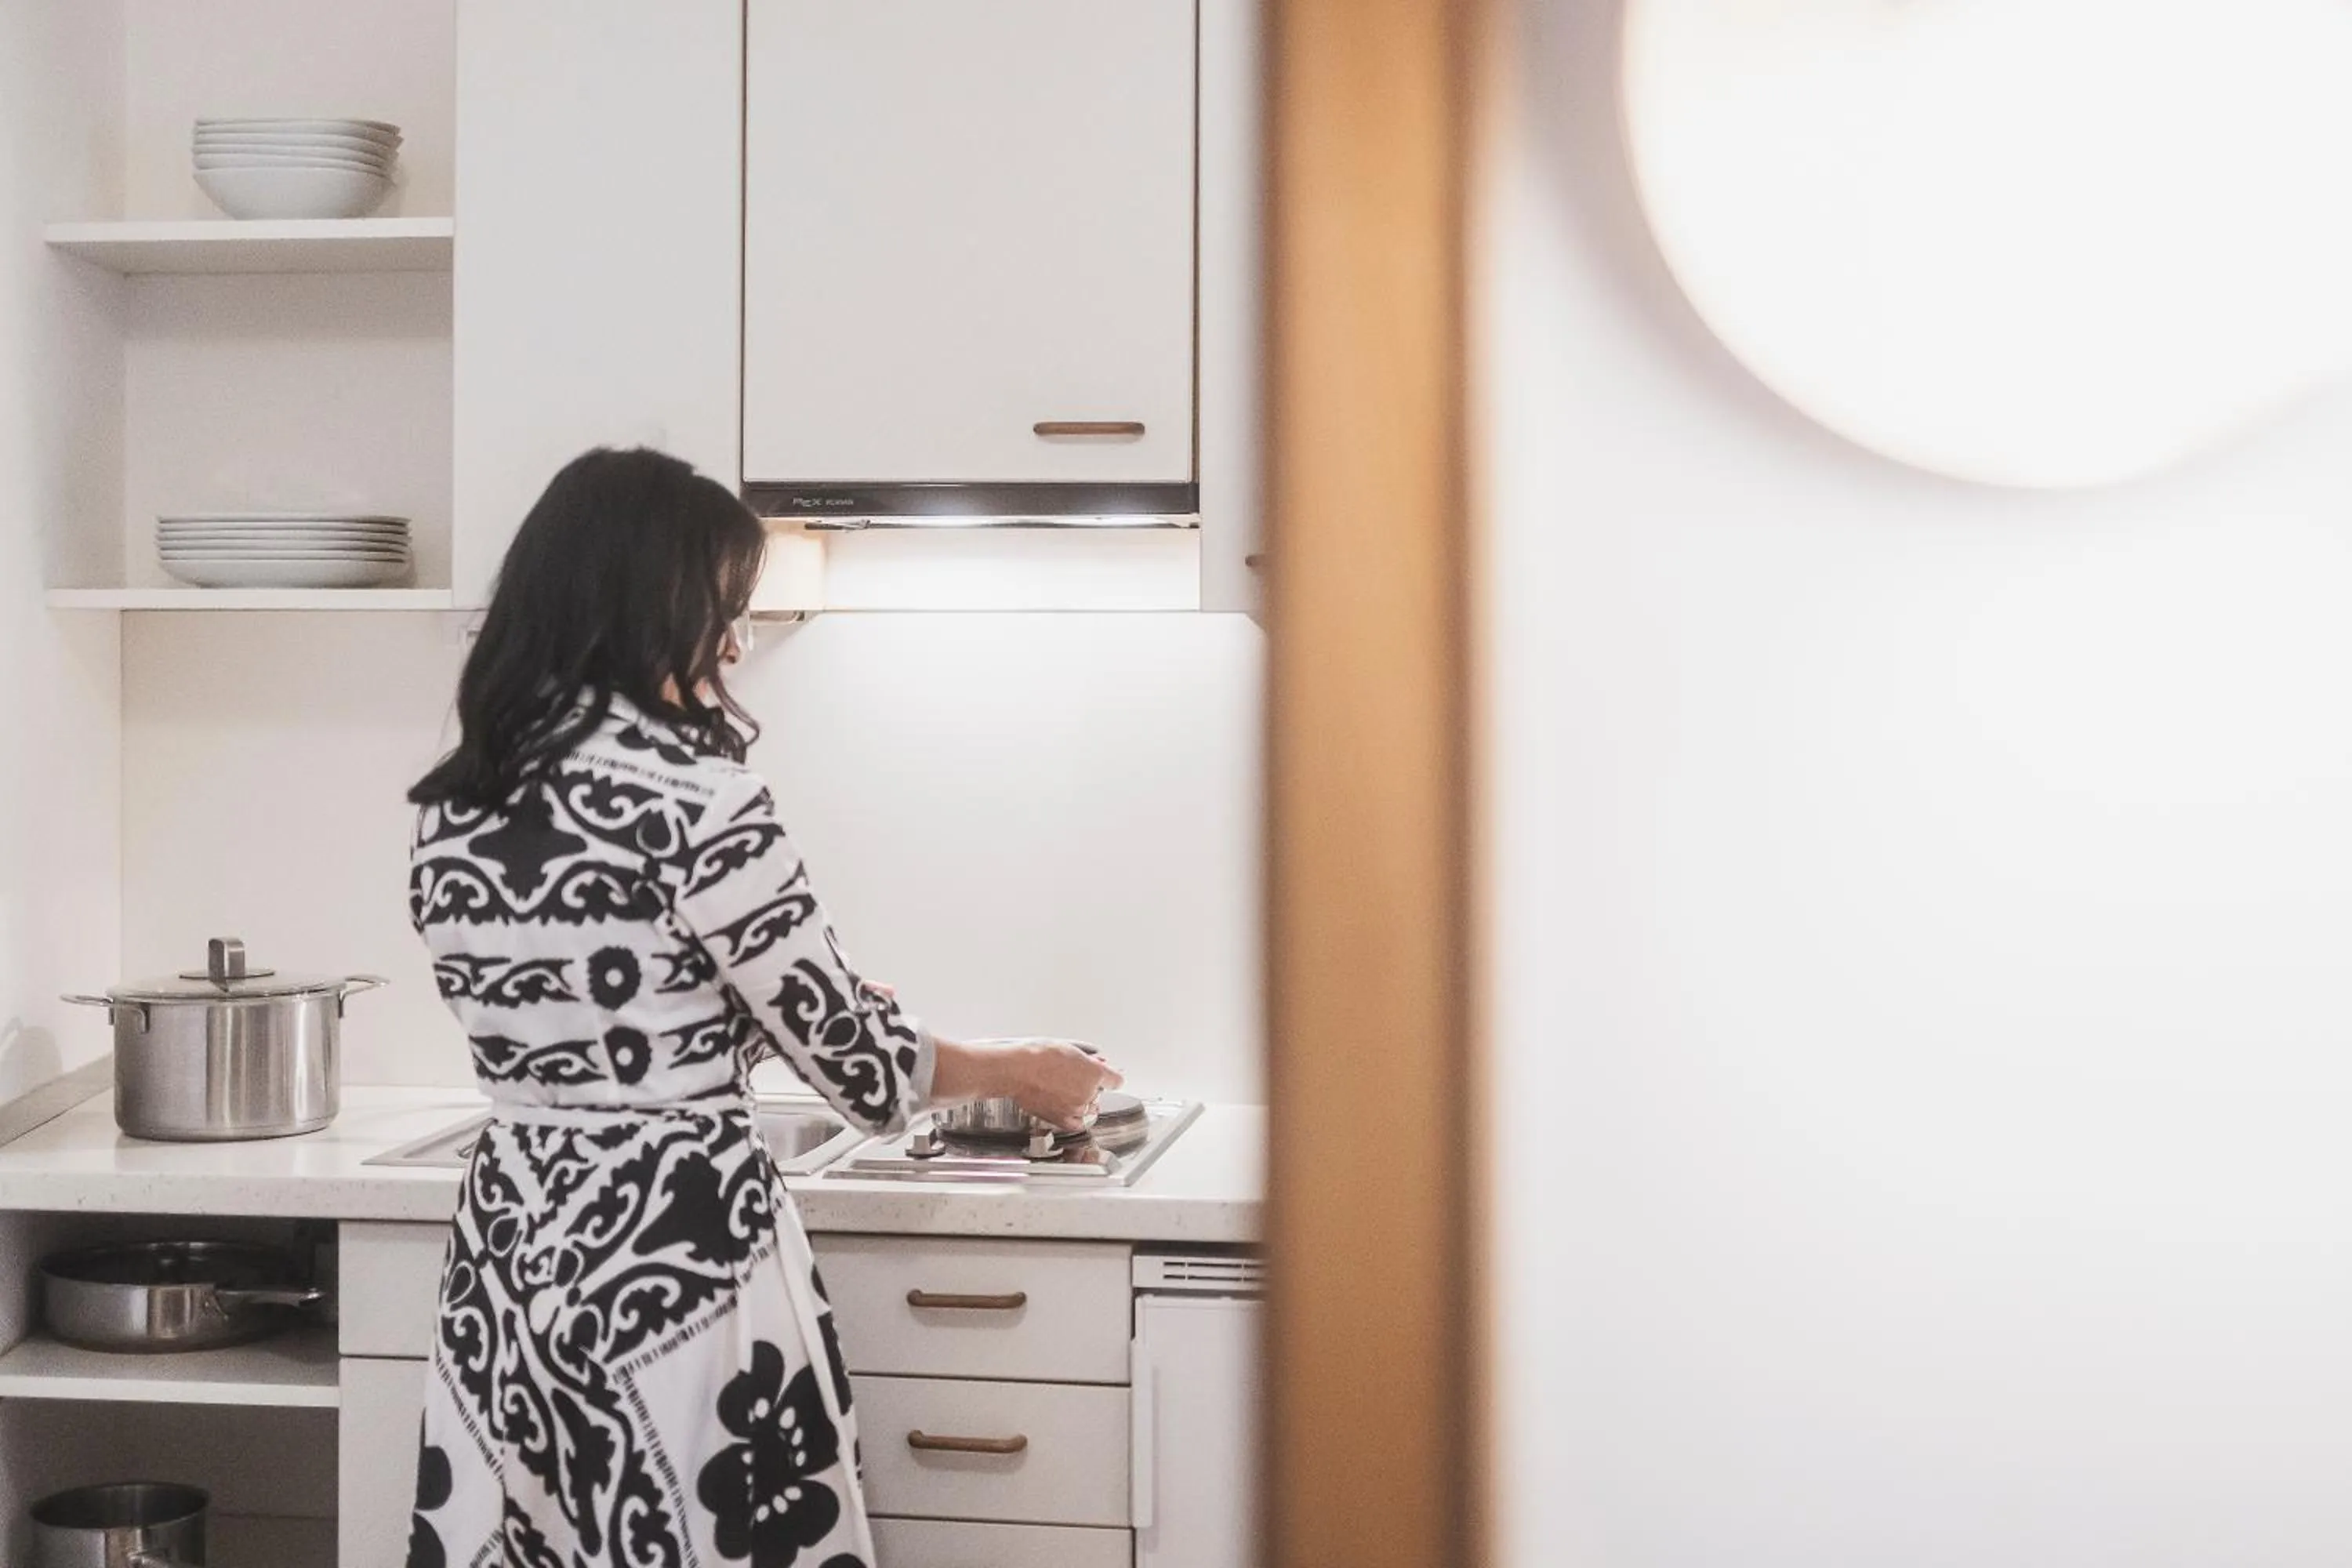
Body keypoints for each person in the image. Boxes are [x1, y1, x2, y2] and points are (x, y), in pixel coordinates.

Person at [401, 446, 1119, 1567]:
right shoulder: (698, 794)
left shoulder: (459, 800)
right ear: (648, 606)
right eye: (723, 611)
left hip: (512, 1245)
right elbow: (865, 1070)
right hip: (674, 1248)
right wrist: (1020, 1067)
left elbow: (603, 1008)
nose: (735, 644)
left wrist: (748, 1015)